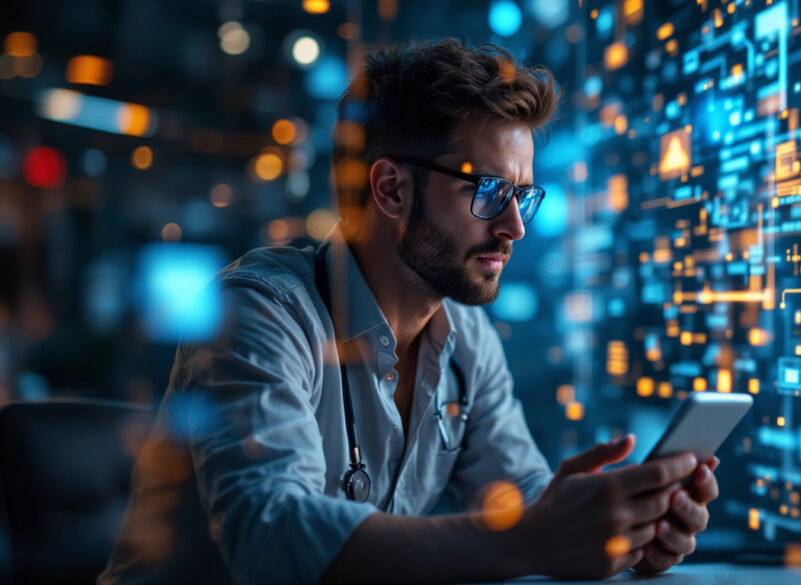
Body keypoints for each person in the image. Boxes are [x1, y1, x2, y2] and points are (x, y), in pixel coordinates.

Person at [99, 39, 720, 585]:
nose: (514, 228)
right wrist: (536, 537)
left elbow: (522, 502)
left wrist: (613, 525)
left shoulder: (466, 338)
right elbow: (271, 536)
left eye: (522, 197)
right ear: (391, 189)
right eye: (487, 191)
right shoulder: (258, 313)